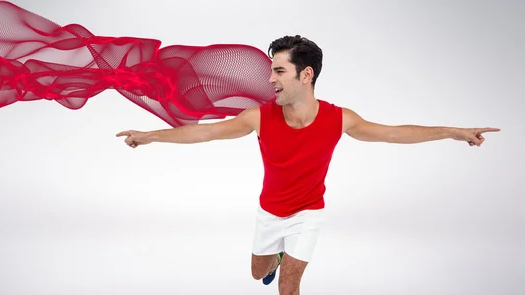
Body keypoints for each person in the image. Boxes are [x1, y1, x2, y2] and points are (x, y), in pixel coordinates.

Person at [115, 35, 500, 295]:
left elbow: (394, 133)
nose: (270, 79)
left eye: (278, 71)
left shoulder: (339, 118)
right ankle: (274, 254)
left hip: (308, 213)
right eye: (271, 70)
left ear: (306, 75)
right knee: (256, 273)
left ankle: (288, 263)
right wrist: (151, 136)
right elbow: (206, 134)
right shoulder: (259, 117)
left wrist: (454, 131)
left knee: (289, 283)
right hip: (270, 211)